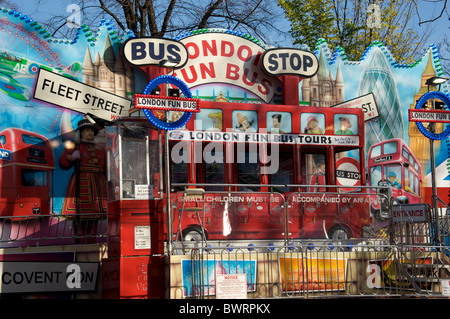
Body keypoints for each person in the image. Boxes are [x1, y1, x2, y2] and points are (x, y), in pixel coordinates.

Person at [59, 119, 107, 241]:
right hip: (81, 185)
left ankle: (92, 242)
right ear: (81, 133)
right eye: (86, 130)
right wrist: (71, 156)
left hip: (97, 186)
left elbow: (107, 169)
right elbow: (63, 163)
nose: (89, 132)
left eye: (91, 130)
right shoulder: (76, 147)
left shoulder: (101, 150)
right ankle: (80, 242)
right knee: (79, 219)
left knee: (94, 219)